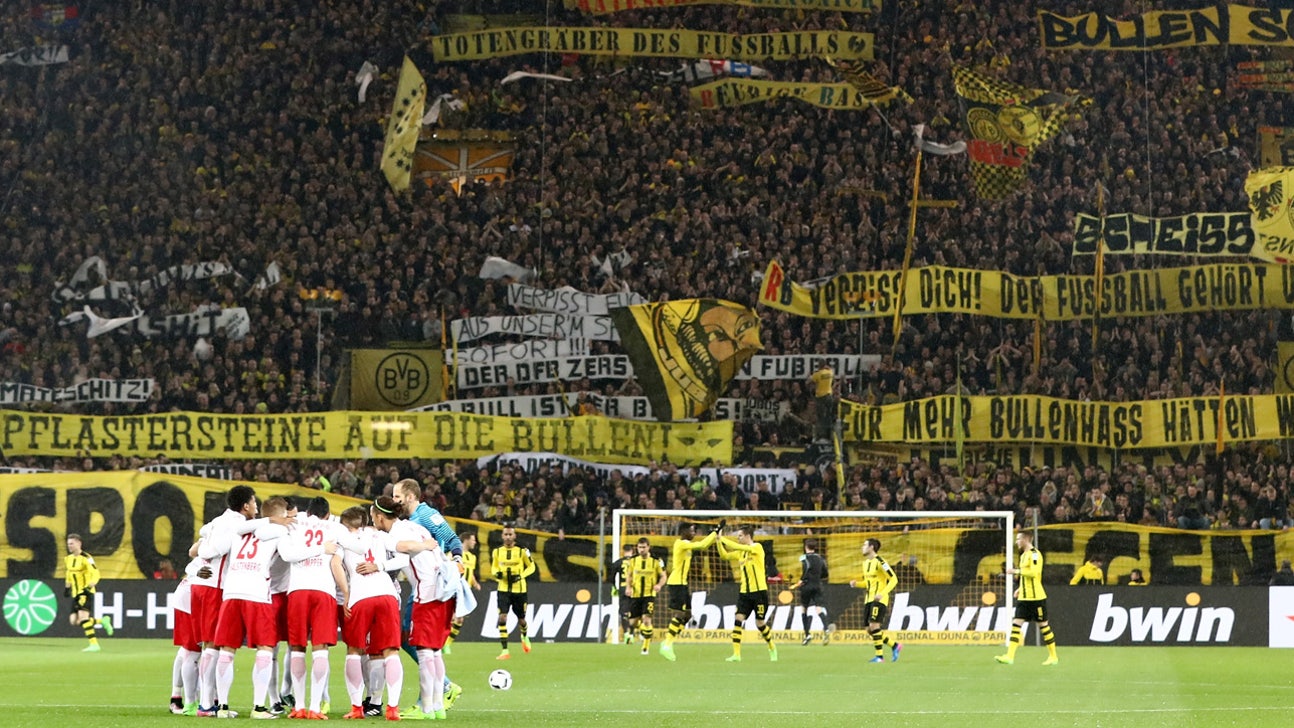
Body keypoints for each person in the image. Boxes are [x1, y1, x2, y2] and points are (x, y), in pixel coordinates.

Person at [207, 496, 294, 719]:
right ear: (281, 515)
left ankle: (223, 707)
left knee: (227, 649)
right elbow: (287, 555)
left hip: (232, 592)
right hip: (257, 592)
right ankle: (258, 707)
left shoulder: (240, 529)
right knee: (265, 648)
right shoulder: (279, 530)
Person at [370, 496, 455, 720]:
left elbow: (402, 556)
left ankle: (427, 709)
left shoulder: (395, 534)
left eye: (372, 517)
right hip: (442, 589)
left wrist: (377, 566)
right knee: (434, 652)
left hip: (426, 595)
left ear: (379, 517)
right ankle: (437, 707)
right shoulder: (414, 526)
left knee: (425, 653)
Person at [392, 478, 464, 708]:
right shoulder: (407, 522)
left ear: (410, 497)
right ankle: (439, 690)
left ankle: (436, 693)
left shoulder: (426, 515)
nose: (395, 501)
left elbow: (451, 538)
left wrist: (458, 560)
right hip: (419, 586)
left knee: (419, 642)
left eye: (397, 497)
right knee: (409, 639)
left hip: (429, 587)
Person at [190, 484, 260, 717]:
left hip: (204, 586)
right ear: (246, 505)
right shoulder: (236, 525)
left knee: (211, 646)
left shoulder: (218, 520)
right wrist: (205, 553)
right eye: (255, 502)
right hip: (215, 588)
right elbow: (212, 549)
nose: (257, 507)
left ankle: (210, 700)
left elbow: (202, 535)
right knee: (212, 645)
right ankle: (206, 705)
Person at [332, 505, 406, 721]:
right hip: (387, 595)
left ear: (345, 524)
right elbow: (403, 559)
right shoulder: (380, 535)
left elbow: (336, 564)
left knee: (354, 650)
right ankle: (392, 708)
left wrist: (345, 593)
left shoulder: (343, 540)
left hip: (360, 597)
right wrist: (380, 566)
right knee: (390, 651)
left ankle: (356, 708)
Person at [276, 496, 344, 720]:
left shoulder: (294, 525)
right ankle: (315, 707)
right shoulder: (334, 527)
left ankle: (299, 706)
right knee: (320, 649)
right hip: (324, 591)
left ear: (308, 511)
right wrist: (321, 549)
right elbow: (354, 549)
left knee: (296, 647)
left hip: (297, 591)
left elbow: (287, 555)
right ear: (326, 514)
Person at [716, 525, 779, 662]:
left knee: (760, 624)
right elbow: (724, 555)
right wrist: (718, 541)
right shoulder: (741, 552)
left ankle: (772, 646)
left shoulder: (757, 547)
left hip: (759, 593)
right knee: (738, 620)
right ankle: (736, 654)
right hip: (744, 592)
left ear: (747, 536)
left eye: (739, 536)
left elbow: (742, 547)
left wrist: (723, 538)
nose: (738, 538)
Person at [658, 522, 719, 662]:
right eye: (691, 531)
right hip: (676, 583)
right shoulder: (680, 543)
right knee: (679, 614)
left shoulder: (687, 544)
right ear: (684, 531)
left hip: (683, 583)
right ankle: (667, 644)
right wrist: (715, 532)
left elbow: (704, 545)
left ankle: (668, 640)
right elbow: (702, 545)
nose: (693, 533)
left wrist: (714, 534)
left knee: (687, 615)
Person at [996, 530, 1059, 666]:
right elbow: (1027, 576)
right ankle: (1010, 656)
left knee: (1044, 626)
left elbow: (1034, 573)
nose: (1017, 542)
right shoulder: (1023, 555)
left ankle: (1053, 656)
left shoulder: (1035, 555)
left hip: (1036, 597)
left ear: (1026, 540)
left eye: (1019, 539)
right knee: (1016, 625)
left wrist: (1015, 571)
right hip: (1024, 597)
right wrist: (1020, 588)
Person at [849, 538, 901, 663]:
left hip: (879, 599)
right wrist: (857, 584)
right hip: (869, 599)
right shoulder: (865, 563)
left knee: (874, 626)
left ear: (871, 547)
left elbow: (894, 579)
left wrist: (882, 594)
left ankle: (879, 657)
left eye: (864, 545)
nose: (862, 547)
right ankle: (894, 645)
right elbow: (868, 583)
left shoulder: (881, 562)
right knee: (869, 629)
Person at [491, 524, 537, 660]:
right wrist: (497, 574)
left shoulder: (523, 551)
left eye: (510, 534)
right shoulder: (497, 552)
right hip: (503, 590)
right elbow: (494, 568)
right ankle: (505, 650)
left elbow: (531, 566)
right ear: (502, 536)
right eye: (505, 534)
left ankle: (524, 635)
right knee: (502, 618)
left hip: (519, 590)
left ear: (515, 536)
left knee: (521, 620)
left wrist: (520, 576)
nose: (508, 537)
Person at [168, 559, 205, 715]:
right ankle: (191, 703)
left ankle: (177, 698)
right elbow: (191, 561)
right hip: (190, 598)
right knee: (193, 651)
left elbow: (190, 560)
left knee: (187, 651)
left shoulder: (209, 541)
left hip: (188, 595)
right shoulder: (221, 541)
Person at [65, 533, 113, 652]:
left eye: (72, 543)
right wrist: (67, 587)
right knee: (74, 621)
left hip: (85, 592)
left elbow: (96, 573)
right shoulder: (68, 559)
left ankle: (94, 644)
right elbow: (69, 574)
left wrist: (90, 585)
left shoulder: (87, 558)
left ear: (79, 543)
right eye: (68, 544)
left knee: (83, 617)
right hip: (75, 593)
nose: (69, 546)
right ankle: (102, 621)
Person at [625, 537, 667, 656]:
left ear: (648, 547)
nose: (641, 550)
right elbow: (629, 575)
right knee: (633, 621)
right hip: (636, 595)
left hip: (649, 595)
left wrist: (659, 585)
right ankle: (636, 631)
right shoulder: (632, 561)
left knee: (646, 619)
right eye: (639, 547)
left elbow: (664, 576)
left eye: (644, 547)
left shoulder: (657, 561)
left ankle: (645, 647)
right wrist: (628, 587)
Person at [444, 530, 481, 656]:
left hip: (466, 591)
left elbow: (470, 572)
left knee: (459, 620)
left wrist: (475, 583)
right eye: (473, 539)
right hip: (454, 589)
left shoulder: (473, 557)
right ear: (466, 540)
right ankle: (443, 643)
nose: (474, 542)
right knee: (453, 618)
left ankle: (447, 644)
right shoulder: (453, 554)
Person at [791, 537, 833, 645]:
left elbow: (806, 568)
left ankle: (807, 635)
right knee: (819, 608)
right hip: (817, 585)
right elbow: (825, 574)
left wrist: (802, 580)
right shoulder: (821, 558)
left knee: (804, 609)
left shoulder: (803, 557)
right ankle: (826, 627)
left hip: (806, 586)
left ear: (805, 547)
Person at [609, 542, 636, 644]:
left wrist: (614, 587)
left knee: (624, 612)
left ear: (623, 552)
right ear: (632, 551)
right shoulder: (636, 561)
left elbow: (611, 576)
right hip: (634, 589)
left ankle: (626, 633)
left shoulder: (618, 562)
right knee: (634, 613)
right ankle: (632, 634)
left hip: (623, 588)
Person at [809, 361, 836, 442]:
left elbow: (808, 381)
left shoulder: (817, 374)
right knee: (829, 416)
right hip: (829, 396)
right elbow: (833, 375)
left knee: (821, 417)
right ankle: (830, 435)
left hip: (820, 397)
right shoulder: (830, 372)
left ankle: (823, 436)